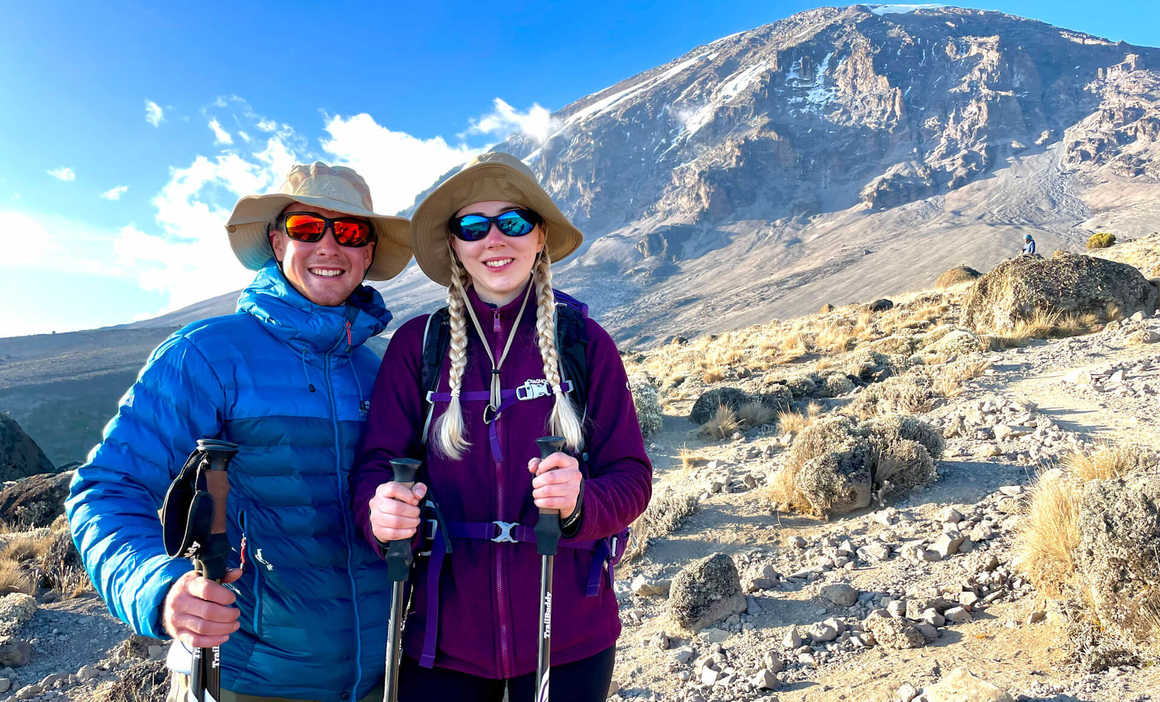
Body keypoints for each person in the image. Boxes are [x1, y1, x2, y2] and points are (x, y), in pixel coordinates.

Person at [66, 162, 412, 702]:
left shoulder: (384, 369)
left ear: (367, 253)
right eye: (306, 228)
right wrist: (158, 588)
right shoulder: (206, 354)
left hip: (380, 679)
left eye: (348, 232)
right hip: (246, 680)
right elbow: (108, 488)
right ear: (277, 242)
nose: (328, 245)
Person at [351, 152, 652, 702]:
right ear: (454, 246)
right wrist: (382, 512)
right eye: (472, 225)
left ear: (539, 237)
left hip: (570, 642)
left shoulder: (584, 342)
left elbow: (631, 476)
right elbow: (376, 465)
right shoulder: (417, 346)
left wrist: (580, 502)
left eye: (513, 222)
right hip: (442, 646)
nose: (494, 240)